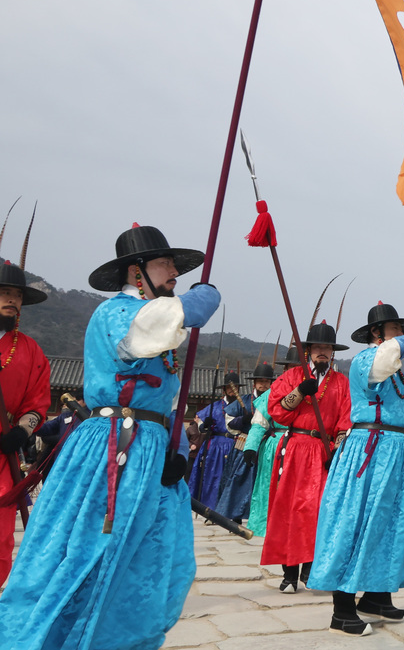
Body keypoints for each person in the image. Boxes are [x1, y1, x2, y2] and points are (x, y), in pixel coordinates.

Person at [0, 224, 219, 649]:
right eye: (164, 262)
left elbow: (167, 405)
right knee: (88, 554)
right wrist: (206, 294)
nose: (174, 270)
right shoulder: (118, 313)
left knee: (156, 560)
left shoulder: (160, 323)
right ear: (137, 272)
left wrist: (176, 449)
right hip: (112, 448)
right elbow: (163, 322)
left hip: (151, 452)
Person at [308, 302, 404, 636]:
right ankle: (342, 608)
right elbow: (391, 352)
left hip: (395, 450)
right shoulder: (368, 360)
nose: (402, 335)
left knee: (401, 523)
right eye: (396, 329)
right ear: (377, 333)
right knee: (358, 522)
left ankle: (377, 595)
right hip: (371, 452)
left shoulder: (395, 369)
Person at [262, 321, 353, 594]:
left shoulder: (341, 382)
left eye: (327, 348)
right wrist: (300, 391)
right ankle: (289, 571)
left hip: (323, 451)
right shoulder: (291, 377)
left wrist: (336, 451)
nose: (322, 352)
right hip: (295, 448)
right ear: (309, 351)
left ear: (333, 352)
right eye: (318, 347)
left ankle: (310, 569)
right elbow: (276, 410)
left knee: (318, 511)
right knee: (289, 508)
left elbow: (346, 420)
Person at [0, 258, 51, 585]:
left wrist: (21, 430)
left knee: (2, 532)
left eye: (17, 295)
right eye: (4, 292)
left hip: (3, 453)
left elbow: (38, 401)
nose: (11, 300)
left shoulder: (32, 351)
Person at [214, 364, 269, 526]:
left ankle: (260, 514)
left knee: (263, 480)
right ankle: (234, 513)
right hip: (244, 444)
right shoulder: (244, 400)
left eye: (267, 382)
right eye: (260, 381)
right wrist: (242, 420)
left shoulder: (274, 400)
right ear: (254, 383)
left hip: (265, 444)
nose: (263, 385)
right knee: (238, 479)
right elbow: (229, 422)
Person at [242, 360, 287, 535]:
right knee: (269, 486)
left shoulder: (313, 392)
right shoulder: (272, 394)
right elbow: (259, 424)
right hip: (275, 446)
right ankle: (266, 525)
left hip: (304, 445)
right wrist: (250, 447)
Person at [190, 371, 246, 508]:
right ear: (224, 389)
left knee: (235, 478)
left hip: (237, 444)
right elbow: (201, 426)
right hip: (216, 446)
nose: (232, 391)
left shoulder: (244, 406)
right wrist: (205, 425)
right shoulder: (214, 407)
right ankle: (210, 508)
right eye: (229, 388)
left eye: (235, 388)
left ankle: (232, 510)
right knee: (214, 477)